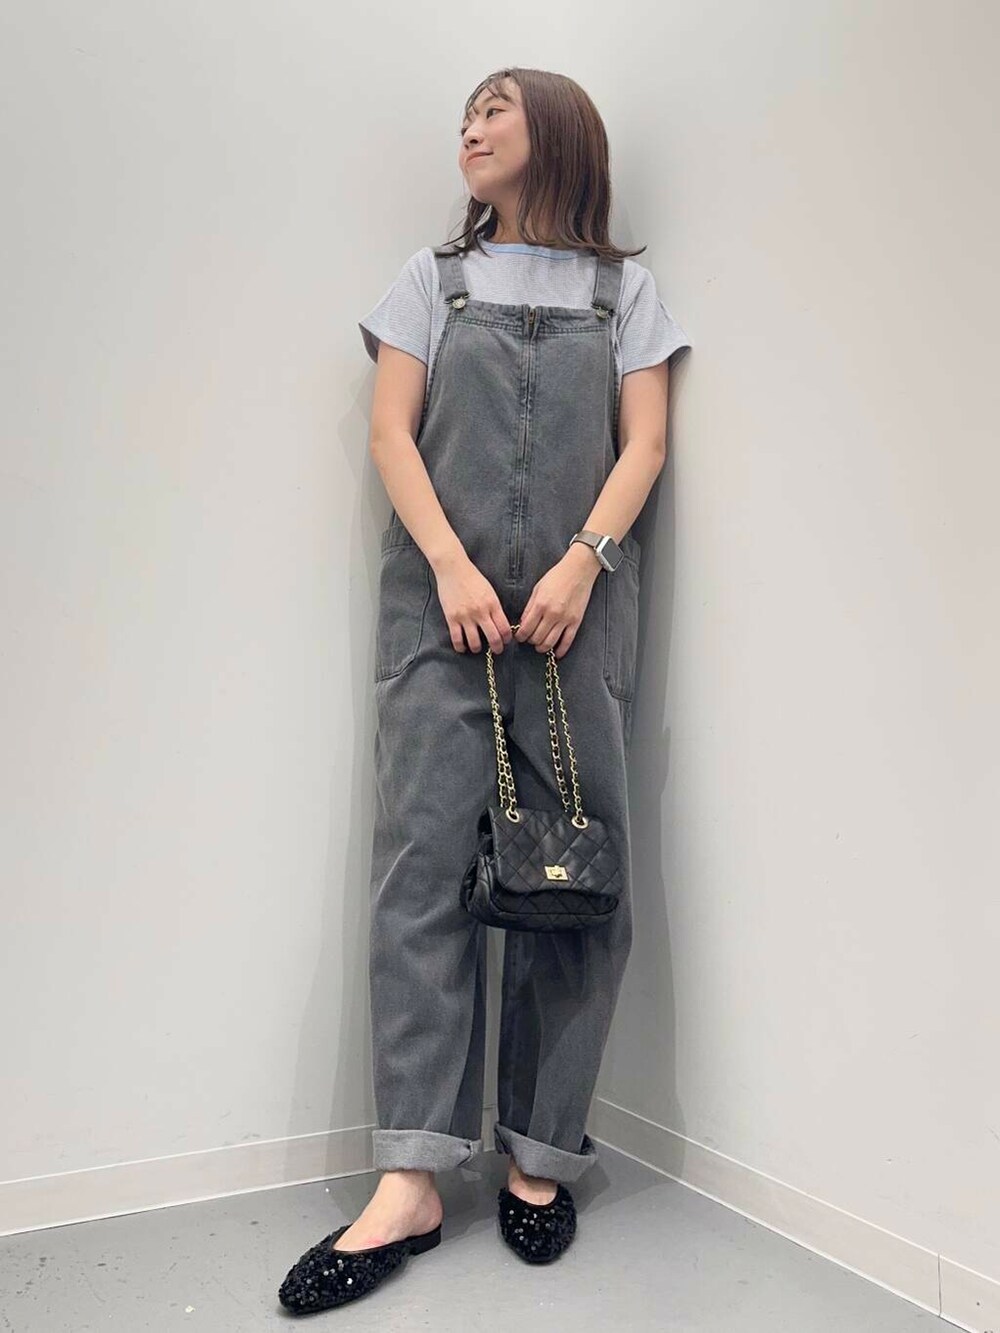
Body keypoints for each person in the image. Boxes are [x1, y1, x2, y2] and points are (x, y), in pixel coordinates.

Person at [278, 65, 691, 1314]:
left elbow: (646, 443)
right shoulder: (431, 280)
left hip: (577, 618)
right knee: (420, 875)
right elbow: (390, 435)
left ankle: (538, 1155)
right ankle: (410, 1176)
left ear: (556, 131)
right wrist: (454, 568)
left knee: (576, 880)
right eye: (467, 111)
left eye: (495, 106)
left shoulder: (624, 293)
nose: (471, 124)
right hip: (438, 612)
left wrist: (582, 563)